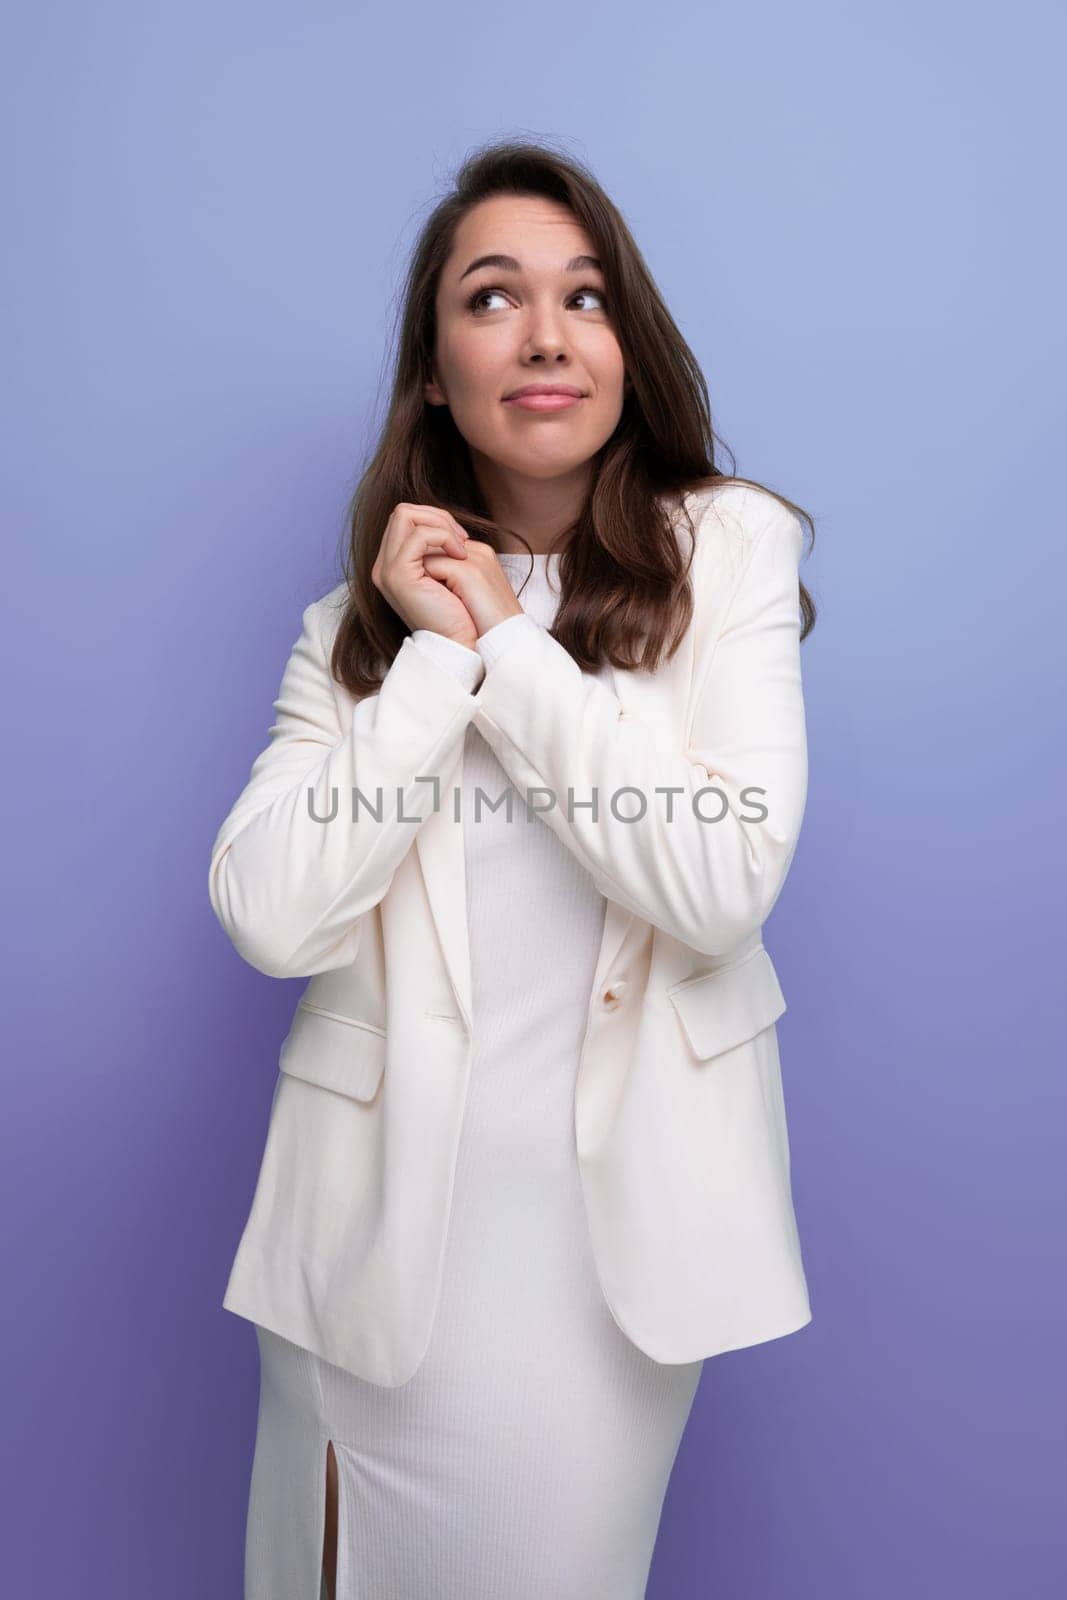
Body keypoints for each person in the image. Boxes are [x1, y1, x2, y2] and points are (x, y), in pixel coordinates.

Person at [209, 138, 818, 1600]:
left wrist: (506, 650)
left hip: (594, 1282)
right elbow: (268, 917)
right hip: (366, 1269)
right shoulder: (348, 636)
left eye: (586, 298)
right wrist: (427, 662)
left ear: (627, 345)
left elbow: (720, 885)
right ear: (434, 370)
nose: (546, 335)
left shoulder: (726, 553)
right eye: (493, 299)